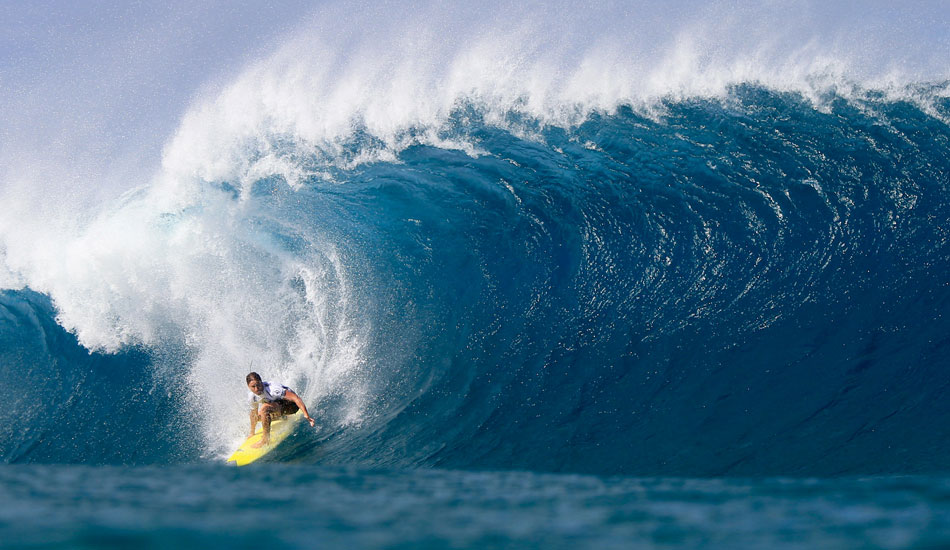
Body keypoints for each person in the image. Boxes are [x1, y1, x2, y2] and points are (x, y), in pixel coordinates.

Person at [246, 371, 315, 448]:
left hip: (292, 406)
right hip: (278, 407)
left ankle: (265, 440)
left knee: (264, 410)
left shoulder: (273, 390)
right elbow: (253, 414)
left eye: (258, 385)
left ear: (261, 382)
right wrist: (252, 432)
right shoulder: (252, 397)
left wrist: (306, 415)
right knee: (258, 417)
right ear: (249, 387)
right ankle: (283, 417)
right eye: (253, 387)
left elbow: (296, 398)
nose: (256, 389)